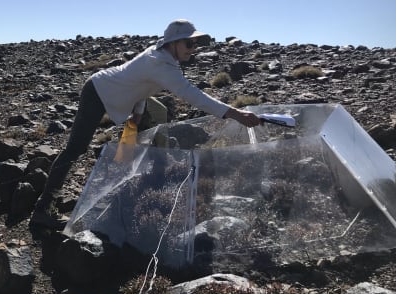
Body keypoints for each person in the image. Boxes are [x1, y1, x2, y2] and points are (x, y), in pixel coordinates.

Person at [29, 19, 262, 231]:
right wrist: (234, 113)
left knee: (149, 126)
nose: (194, 49)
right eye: (189, 44)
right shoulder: (159, 63)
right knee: (76, 148)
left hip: (110, 92)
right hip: (98, 92)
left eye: (195, 45)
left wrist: (138, 113)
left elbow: (141, 84)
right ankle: (42, 210)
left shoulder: (162, 59)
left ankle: (149, 185)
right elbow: (191, 95)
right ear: (173, 43)